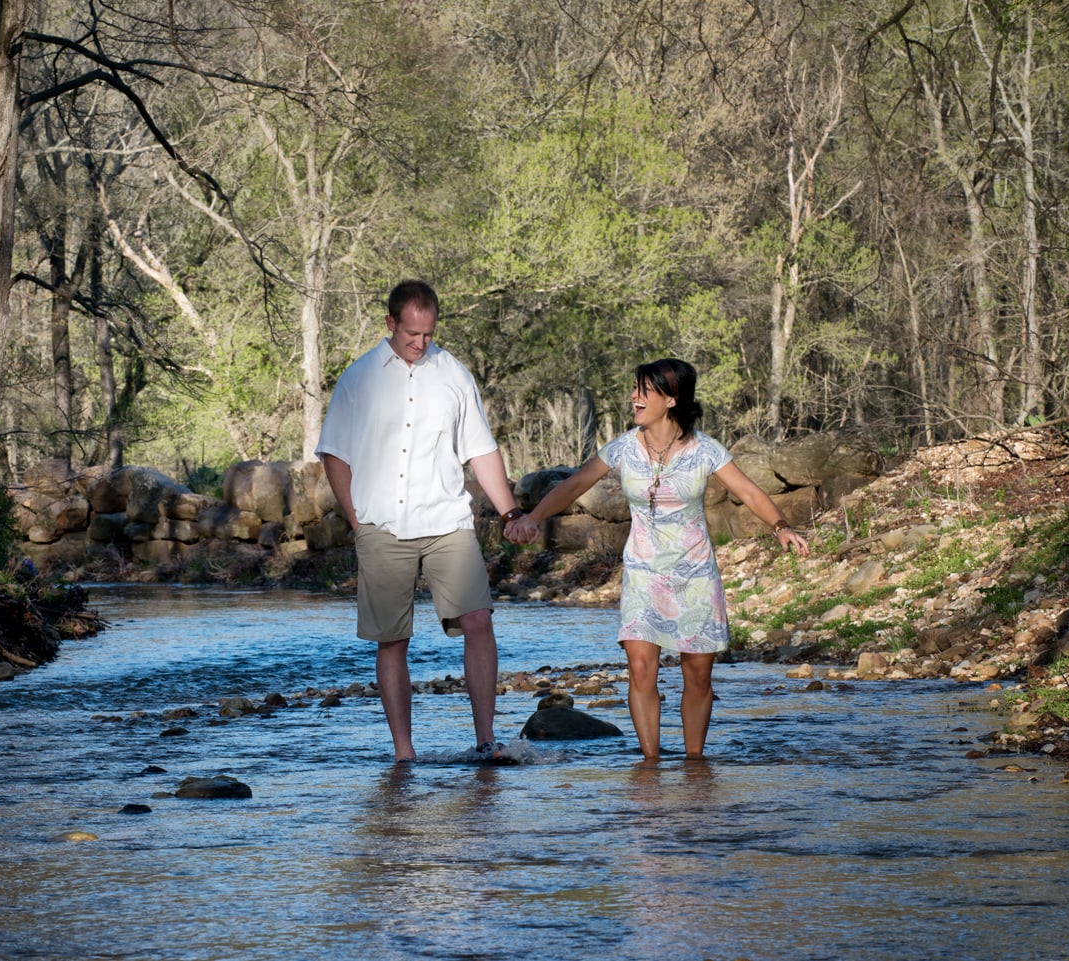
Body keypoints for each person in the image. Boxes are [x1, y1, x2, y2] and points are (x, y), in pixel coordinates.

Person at [504, 358, 809, 760]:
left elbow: (750, 493)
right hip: (643, 573)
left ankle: (694, 762)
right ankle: (649, 764)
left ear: (671, 399)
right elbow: (575, 484)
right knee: (642, 669)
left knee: (698, 676)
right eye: (635, 388)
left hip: (695, 574)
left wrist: (780, 525)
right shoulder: (623, 447)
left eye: (644, 390)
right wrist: (533, 517)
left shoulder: (705, 450)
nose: (635, 397)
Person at [316, 279, 527, 765]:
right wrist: (356, 519)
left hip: (447, 519)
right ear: (390, 323)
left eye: (429, 334)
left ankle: (486, 740)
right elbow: (334, 454)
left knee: (478, 620)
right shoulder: (358, 379)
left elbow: (481, 450)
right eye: (411, 333)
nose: (420, 342)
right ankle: (405, 754)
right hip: (382, 525)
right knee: (394, 640)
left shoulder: (454, 375)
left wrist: (510, 510)